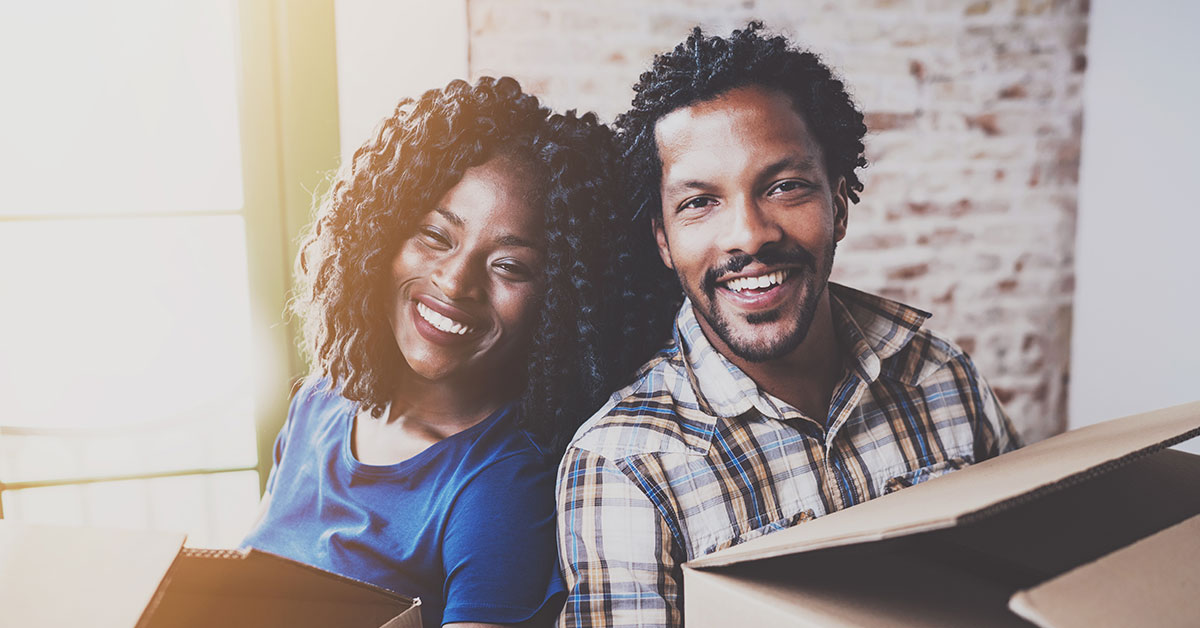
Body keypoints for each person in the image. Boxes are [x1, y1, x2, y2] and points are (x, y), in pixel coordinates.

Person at [556, 23, 1021, 628]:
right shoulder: (625, 466)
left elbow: (1028, 578)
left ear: (839, 204)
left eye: (785, 187)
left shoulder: (944, 379)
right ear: (663, 241)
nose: (749, 234)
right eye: (699, 202)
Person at [243, 76, 647, 628]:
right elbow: (243, 581)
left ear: (559, 305)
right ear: (379, 235)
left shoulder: (501, 487)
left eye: (509, 266)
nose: (455, 283)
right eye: (435, 236)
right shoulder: (318, 401)